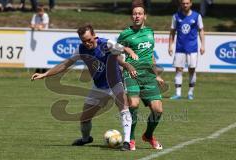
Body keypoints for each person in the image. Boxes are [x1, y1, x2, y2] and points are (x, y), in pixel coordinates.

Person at [31, 24, 140, 151]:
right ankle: (86, 139)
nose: (87, 43)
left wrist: (130, 58)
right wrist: (45, 74)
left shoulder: (106, 44)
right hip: (98, 86)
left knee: (124, 108)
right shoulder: (81, 49)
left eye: (89, 40)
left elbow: (123, 51)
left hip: (115, 83)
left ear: (95, 36)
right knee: (84, 118)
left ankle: (127, 142)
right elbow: (65, 64)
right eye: (84, 41)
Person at [117, 4, 164, 151]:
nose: (137, 16)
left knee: (158, 110)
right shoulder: (125, 34)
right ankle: (130, 139)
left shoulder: (150, 32)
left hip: (148, 75)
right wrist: (127, 60)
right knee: (134, 104)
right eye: (134, 14)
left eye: (140, 13)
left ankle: (148, 136)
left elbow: (150, 55)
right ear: (132, 16)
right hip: (131, 73)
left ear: (145, 16)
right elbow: (116, 55)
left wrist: (156, 75)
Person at [168, 0, 205, 100]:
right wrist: (170, 45)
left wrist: (203, 45)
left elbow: (201, 30)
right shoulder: (176, 16)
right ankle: (178, 93)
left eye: (187, 3)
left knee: (191, 70)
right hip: (180, 48)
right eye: (183, 3)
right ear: (181, 4)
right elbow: (172, 32)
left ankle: (190, 93)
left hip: (192, 49)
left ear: (191, 4)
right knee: (178, 69)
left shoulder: (197, 16)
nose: (185, 5)